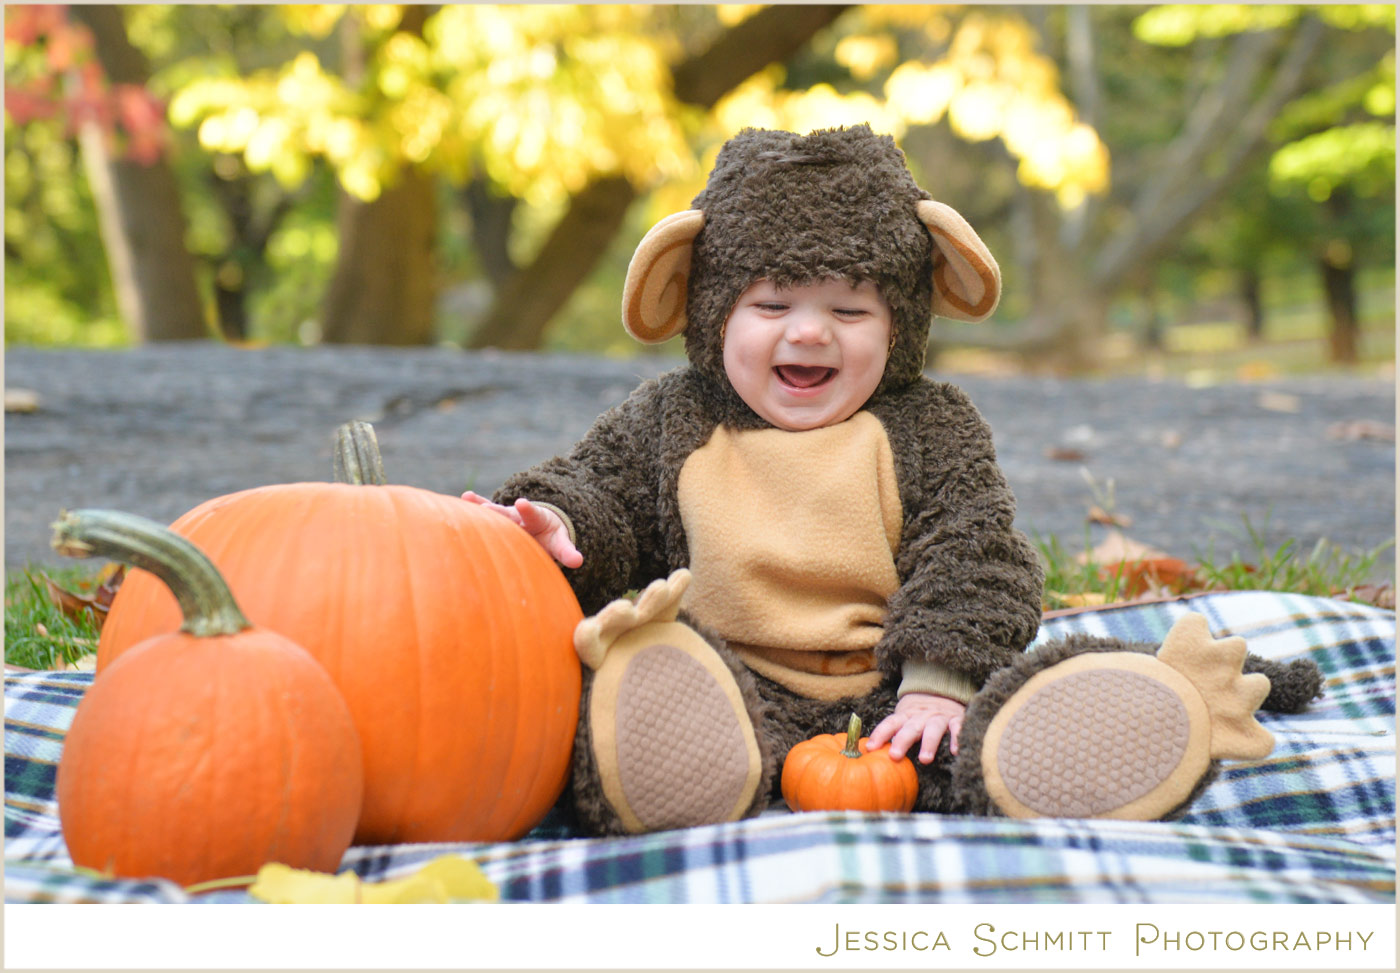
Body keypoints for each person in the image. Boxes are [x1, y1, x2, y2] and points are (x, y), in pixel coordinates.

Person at [463, 125, 1313, 835]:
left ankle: (1097, 730)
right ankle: (671, 750)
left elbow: (974, 553)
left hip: (892, 694)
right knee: (605, 697)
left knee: (968, 743)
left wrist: (940, 683)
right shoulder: (669, 418)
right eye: (771, 304)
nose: (810, 333)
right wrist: (557, 519)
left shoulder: (928, 428)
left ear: (904, 317)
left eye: (850, 309)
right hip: (725, 676)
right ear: (703, 297)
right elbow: (597, 487)